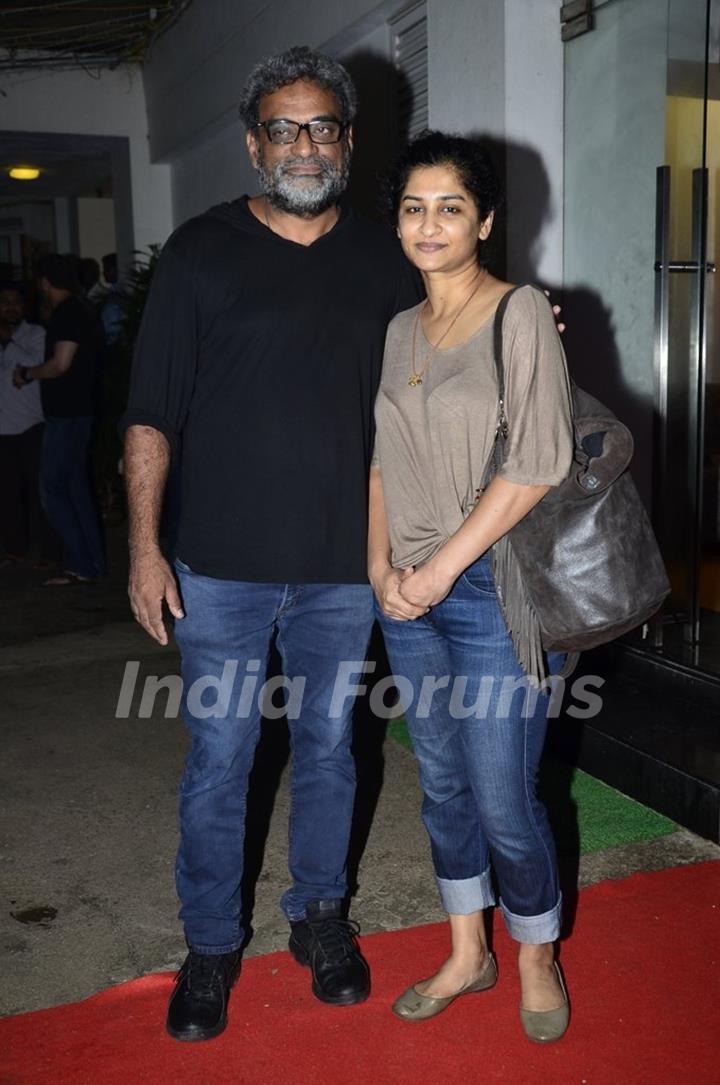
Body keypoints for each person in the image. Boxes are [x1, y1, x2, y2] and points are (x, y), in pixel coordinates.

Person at [121, 46, 423, 1043]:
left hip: (346, 568)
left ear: (346, 139)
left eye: (323, 126)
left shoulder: (385, 259)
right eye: (285, 127)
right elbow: (152, 414)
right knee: (224, 753)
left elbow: (452, 351)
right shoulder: (202, 254)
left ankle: (320, 916)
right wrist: (143, 548)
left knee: (334, 746)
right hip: (218, 568)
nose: (305, 145)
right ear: (255, 144)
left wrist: (526, 324)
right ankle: (211, 942)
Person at [369, 132, 574, 1043]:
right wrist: (381, 571)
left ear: (484, 220)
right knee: (443, 785)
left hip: (491, 593)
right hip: (406, 594)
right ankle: (468, 950)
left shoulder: (518, 311)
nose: (429, 223)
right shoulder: (395, 328)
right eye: (414, 206)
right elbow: (381, 463)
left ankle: (534, 947)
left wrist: (438, 569)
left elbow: (536, 463)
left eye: (450, 206)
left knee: (503, 794)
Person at [13, 254, 106, 584]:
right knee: (75, 489)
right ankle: (91, 564)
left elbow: (61, 364)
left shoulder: (68, 314)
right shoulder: (82, 310)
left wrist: (27, 373)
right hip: (79, 412)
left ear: (45, 283)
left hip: (67, 415)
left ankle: (80, 563)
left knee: (52, 488)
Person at [0, 283, 53, 565]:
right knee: (7, 495)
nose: (10, 307)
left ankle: (47, 551)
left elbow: (38, 364)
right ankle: (15, 550)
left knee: (38, 492)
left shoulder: (36, 333)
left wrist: (9, 340)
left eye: (15, 302)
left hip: (30, 424)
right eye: (4, 301)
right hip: (2, 428)